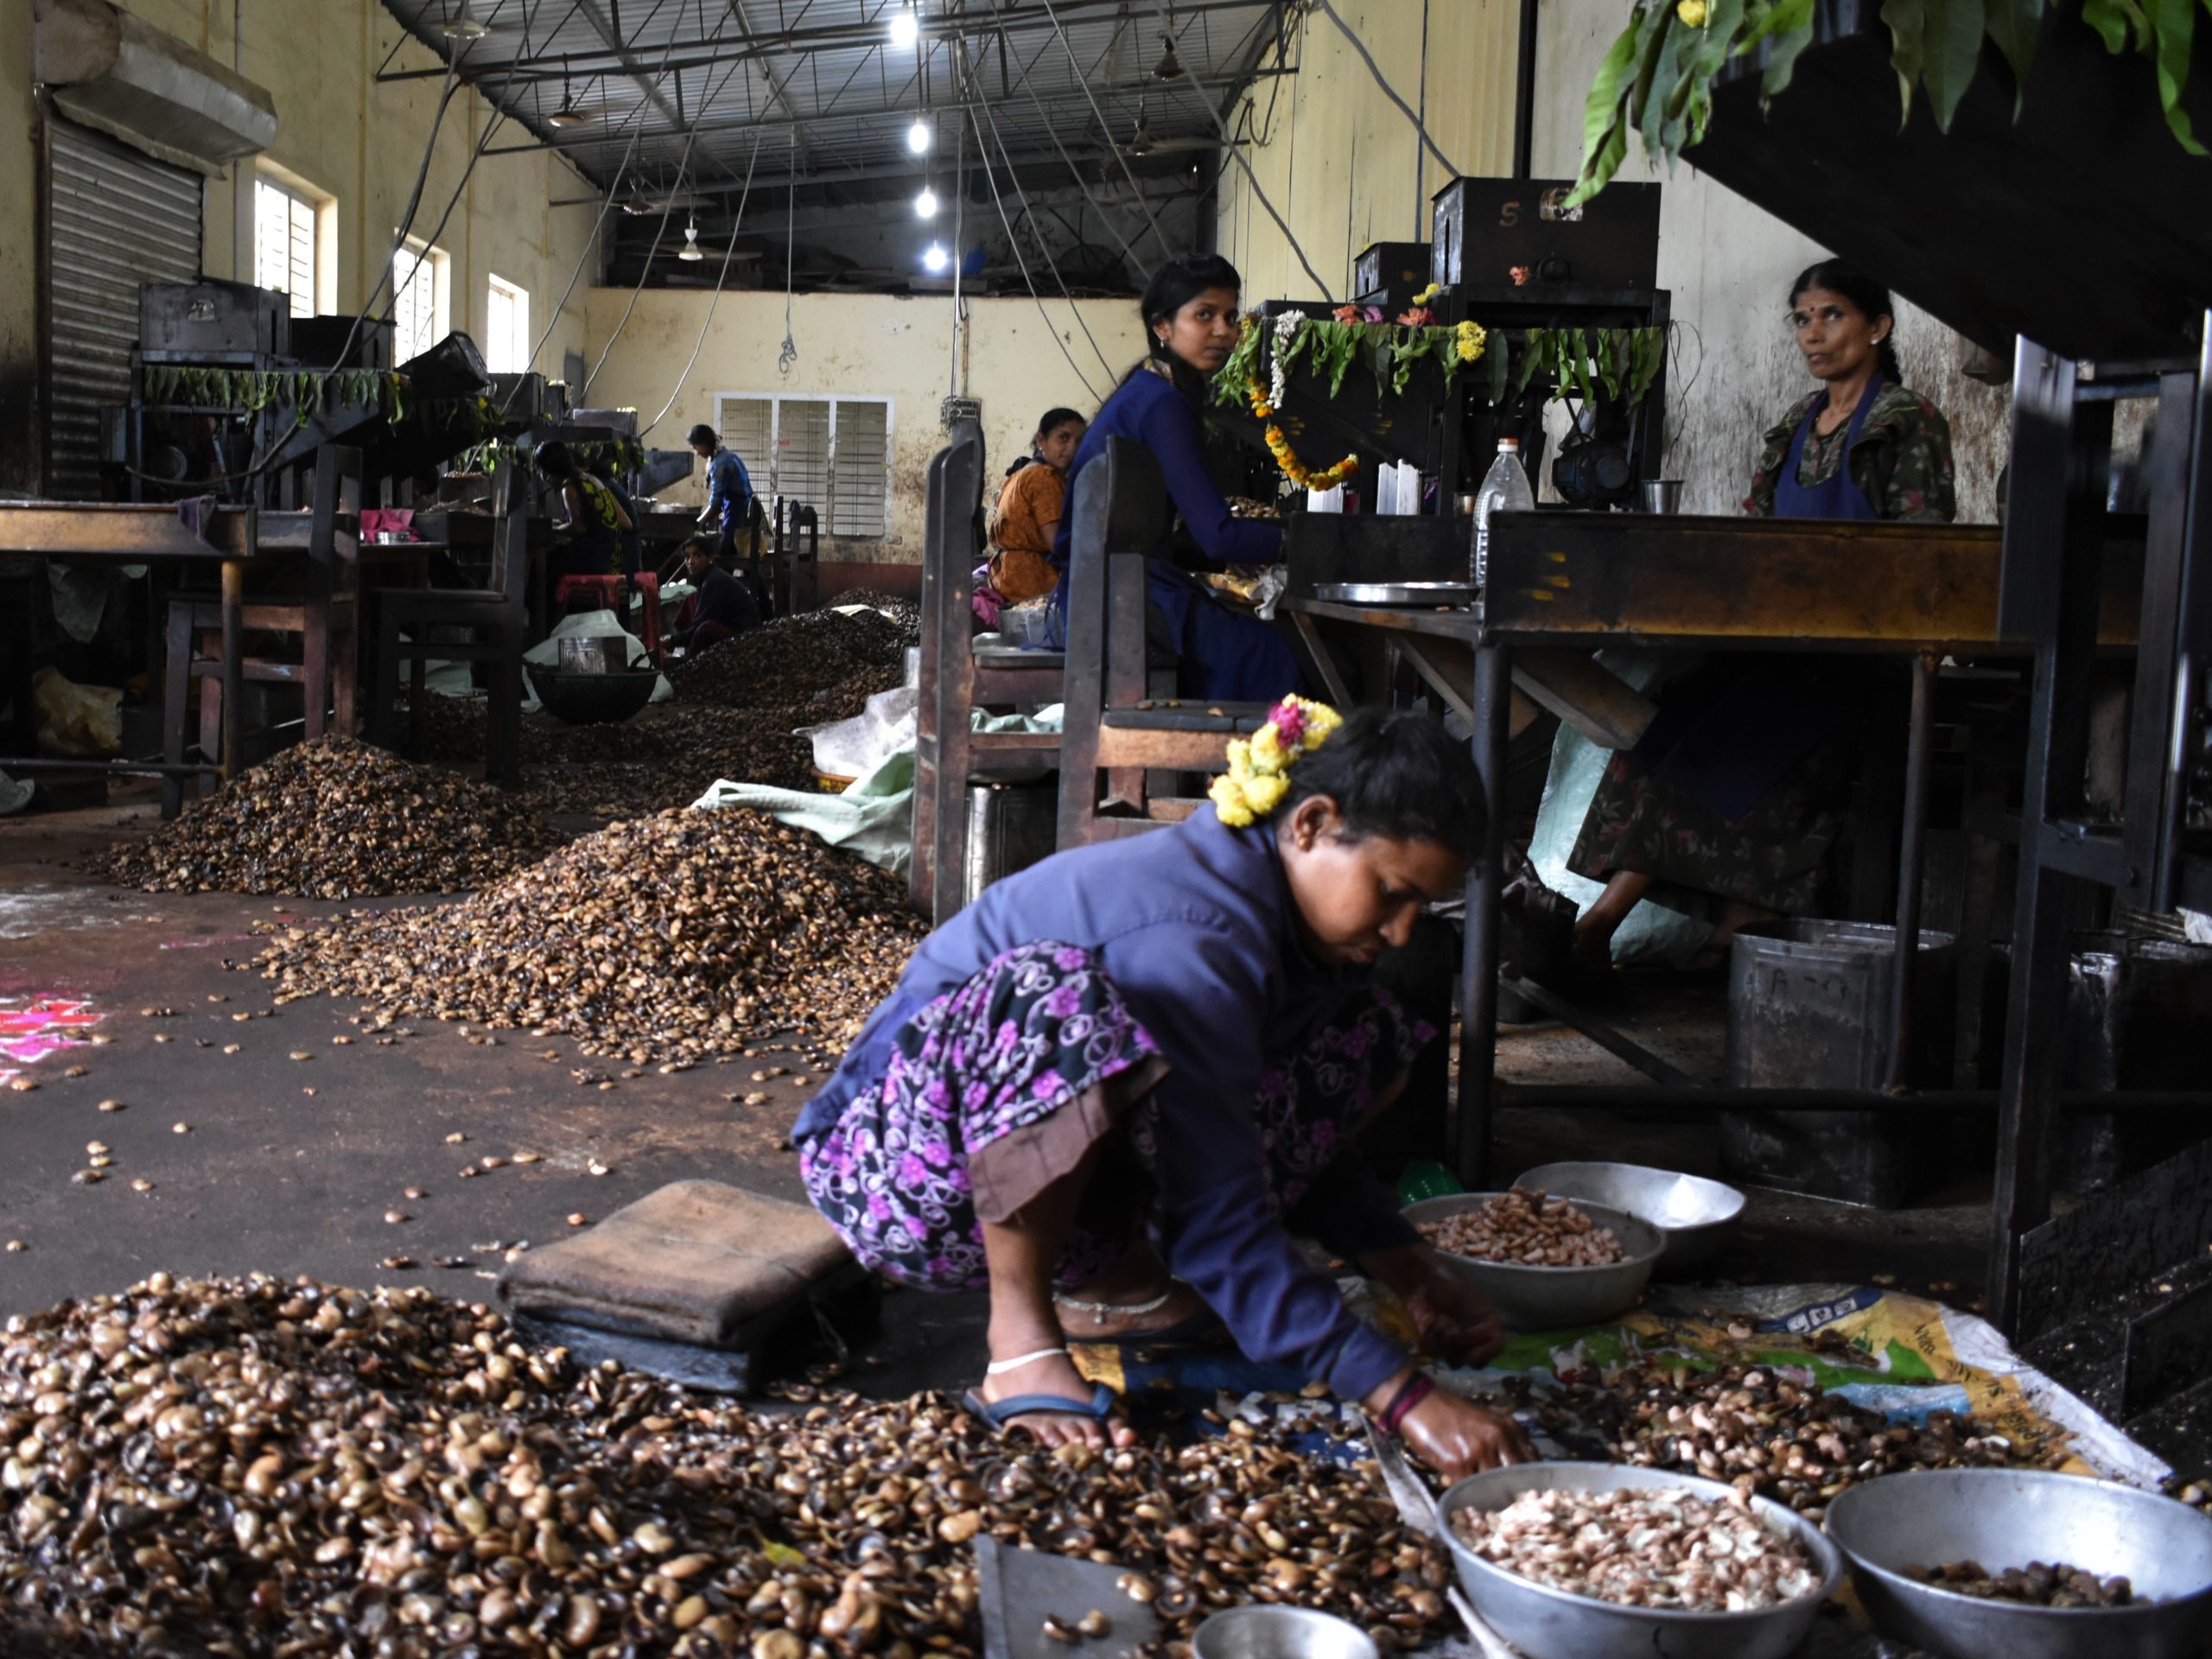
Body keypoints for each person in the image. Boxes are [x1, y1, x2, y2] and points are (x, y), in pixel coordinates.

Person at [794, 701, 1532, 1481]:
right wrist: (1405, 1398)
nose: (1402, 930)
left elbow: (1251, 1132)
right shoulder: (1192, 938)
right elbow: (1219, 1218)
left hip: (1016, 1174)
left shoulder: (1284, 922)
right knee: (1056, 999)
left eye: (1424, 904)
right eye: (1390, 891)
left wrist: (1409, 1268)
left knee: (1370, 1033)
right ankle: (1022, 1343)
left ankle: (1106, 1281)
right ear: (1311, 824)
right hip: (898, 1177)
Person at [1569, 260, 1957, 966]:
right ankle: (1607, 920)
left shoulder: (1906, 425)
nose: (1814, 334)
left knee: (1756, 744)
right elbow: (1754, 540)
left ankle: (1721, 932)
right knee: (1661, 731)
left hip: (1862, 660)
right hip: (1780, 644)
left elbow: (1923, 559)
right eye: (1803, 319)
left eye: (1832, 315)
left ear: (1879, 326)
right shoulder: (1793, 428)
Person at [1050, 254, 1305, 703]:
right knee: (1286, 658)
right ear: (1162, 326)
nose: (1224, 330)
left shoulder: (1146, 392)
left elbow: (1189, 537)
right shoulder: (1161, 404)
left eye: (1229, 315)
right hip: (1121, 603)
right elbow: (1219, 536)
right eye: (1203, 315)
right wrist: (1307, 543)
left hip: (1103, 594)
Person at [988, 408, 1086, 605]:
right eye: (1063, 438)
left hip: (1006, 575)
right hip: (1032, 579)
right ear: (1041, 440)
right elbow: (1056, 543)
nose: (1072, 448)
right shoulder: (1044, 477)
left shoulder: (1020, 474)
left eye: (1079, 441)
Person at [537, 441, 634, 582]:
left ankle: (549, 604)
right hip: (612, 558)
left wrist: (552, 529)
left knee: (544, 564)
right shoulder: (590, 479)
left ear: (547, 473)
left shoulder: (568, 487)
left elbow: (579, 528)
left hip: (594, 558)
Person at [664, 535, 761, 657]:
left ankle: (692, 664)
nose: (691, 562)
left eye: (697, 556)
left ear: (709, 558)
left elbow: (701, 624)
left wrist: (672, 642)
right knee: (692, 599)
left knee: (704, 629)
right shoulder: (707, 578)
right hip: (728, 626)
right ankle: (686, 648)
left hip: (743, 637)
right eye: (687, 557)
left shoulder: (714, 581)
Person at [689, 423, 758, 568]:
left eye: (696, 447)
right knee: (735, 558)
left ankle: (725, 588)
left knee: (725, 556)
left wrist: (697, 523)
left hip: (739, 514)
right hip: (740, 511)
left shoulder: (720, 464)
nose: (696, 452)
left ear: (704, 444)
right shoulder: (725, 455)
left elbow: (716, 502)